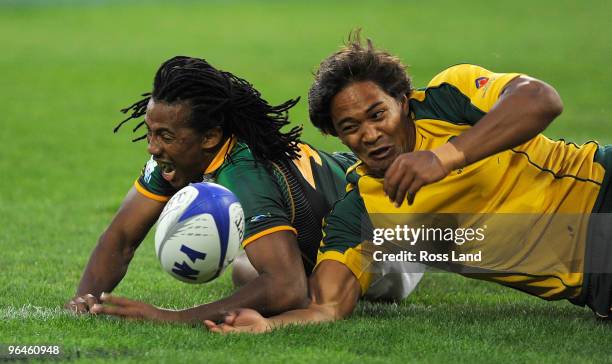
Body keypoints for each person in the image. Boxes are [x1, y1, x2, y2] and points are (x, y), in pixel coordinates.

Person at [204, 33, 612, 334]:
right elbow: (328, 306)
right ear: (338, 137)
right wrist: (267, 326)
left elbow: (541, 99)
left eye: (377, 114)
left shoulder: (449, 97)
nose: (369, 134)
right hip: (596, 282)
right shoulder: (359, 210)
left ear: (402, 100)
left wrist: (443, 157)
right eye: (351, 127)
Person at [66, 56, 424, 323]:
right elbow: (120, 238)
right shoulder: (176, 159)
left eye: (165, 136)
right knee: (245, 270)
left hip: (388, 227)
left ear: (209, 138)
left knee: (287, 286)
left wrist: (169, 316)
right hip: (334, 208)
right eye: (151, 133)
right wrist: (86, 298)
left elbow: (287, 289)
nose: (153, 147)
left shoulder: (245, 173)